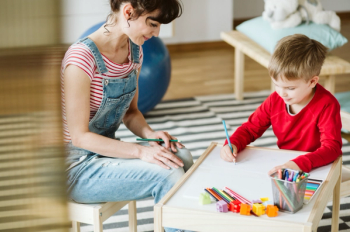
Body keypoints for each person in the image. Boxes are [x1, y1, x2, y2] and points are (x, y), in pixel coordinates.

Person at [62, 1, 193, 231]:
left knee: (182, 157)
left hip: (106, 155)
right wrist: (141, 151)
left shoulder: (135, 52)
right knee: (168, 173)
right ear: (128, 12)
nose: (156, 33)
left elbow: (131, 113)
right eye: (152, 24)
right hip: (76, 168)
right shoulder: (81, 59)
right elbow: (80, 137)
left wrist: (151, 135)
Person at [220, 34, 342, 174]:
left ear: (312, 81)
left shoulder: (327, 105)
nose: (282, 93)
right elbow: (250, 128)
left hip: (318, 166)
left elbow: (332, 148)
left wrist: (298, 164)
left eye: (290, 88)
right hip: (287, 165)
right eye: (277, 85)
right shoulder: (275, 100)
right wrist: (233, 144)